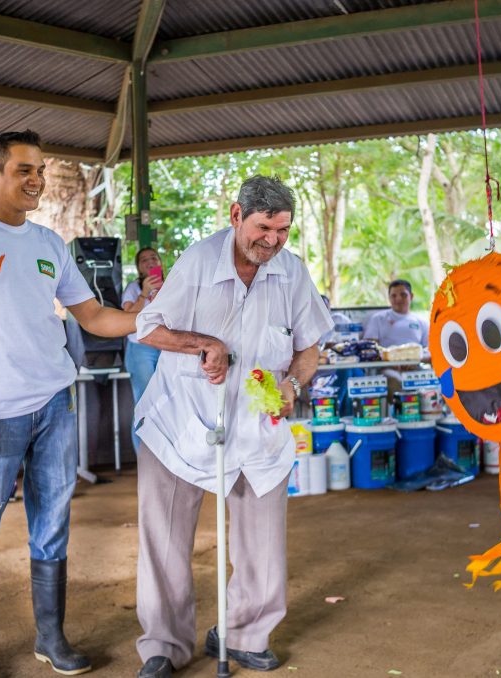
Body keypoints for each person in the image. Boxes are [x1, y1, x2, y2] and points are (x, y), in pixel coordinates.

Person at [0, 129, 138, 678]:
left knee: (53, 523)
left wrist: (155, 316)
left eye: (40, 170)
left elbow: (94, 318)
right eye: (24, 170)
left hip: (55, 403)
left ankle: (51, 638)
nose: (37, 180)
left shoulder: (48, 244)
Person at [132, 176, 333, 678]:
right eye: (264, 228)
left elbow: (310, 347)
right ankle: (164, 644)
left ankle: (245, 633)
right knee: (165, 538)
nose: (273, 240)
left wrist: (292, 385)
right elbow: (148, 327)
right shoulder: (199, 262)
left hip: (256, 428)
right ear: (236, 215)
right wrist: (203, 342)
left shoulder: (291, 272)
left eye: (283, 230)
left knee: (263, 543)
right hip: (180, 422)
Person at [121, 247, 164, 451]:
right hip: (141, 348)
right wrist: (144, 295)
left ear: (160, 263)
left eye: (153, 258)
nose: (149, 262)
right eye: (144, 260)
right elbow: (126, 316)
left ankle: (165, 457)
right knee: (145, 401)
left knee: (166, 401)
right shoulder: (133, 288)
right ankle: (143, 456)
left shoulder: (171, 285)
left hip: (166, 347)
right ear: (138, 267)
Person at [362, 279, 429, 348]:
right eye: (394, 296)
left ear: (411, 296)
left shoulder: (422, 322)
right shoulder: (378, 319)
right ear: (389, 298)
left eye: (403, 295)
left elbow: (429, 349)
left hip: (415, 358)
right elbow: (369, 346)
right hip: (386, 358)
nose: (398, 299)